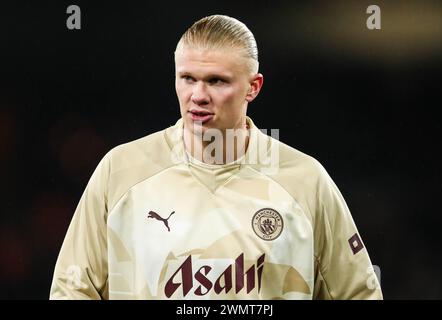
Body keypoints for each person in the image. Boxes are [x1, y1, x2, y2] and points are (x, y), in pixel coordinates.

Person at [50, 14, 382, 300]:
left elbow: (358, 291)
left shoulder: (304, 180)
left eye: (216, 81)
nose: (198, 96)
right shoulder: (121, 170)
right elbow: (72, 288)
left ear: (253, 87)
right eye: (187, 78)